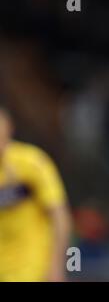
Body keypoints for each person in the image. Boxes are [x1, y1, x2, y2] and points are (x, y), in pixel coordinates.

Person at [0, 107, 71, 282]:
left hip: (35, 270)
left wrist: (56, 267)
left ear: (9, 129)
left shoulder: (31, 162)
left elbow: (60, 217)